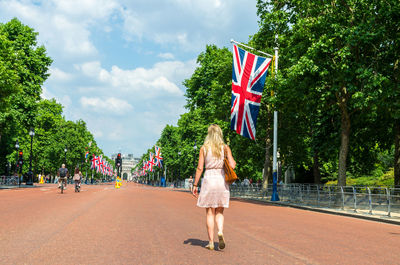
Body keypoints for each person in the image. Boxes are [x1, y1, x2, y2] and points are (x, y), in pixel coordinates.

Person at [192, 124, 236, 250]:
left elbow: (200, 168)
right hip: (221, 180)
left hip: (209, 179)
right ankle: (220, 231)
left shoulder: (204, 148)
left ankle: (211, 242)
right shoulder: (225, 148)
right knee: (220, 211)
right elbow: (232, 165)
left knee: (210, 212)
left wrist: (195, 184)